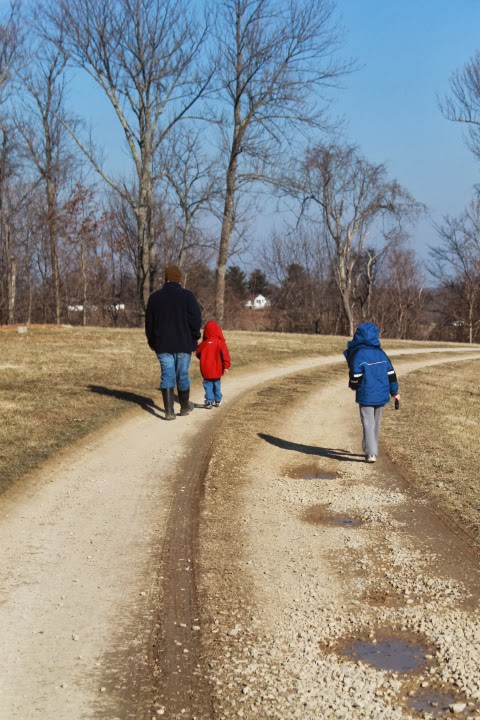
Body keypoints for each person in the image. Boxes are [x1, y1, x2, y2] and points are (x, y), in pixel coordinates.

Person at [145, 265, 202, 420]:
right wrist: (195, 337)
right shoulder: (187, 296)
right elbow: (196, 321)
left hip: (162, 345)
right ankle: (184, 407)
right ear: (179, 279)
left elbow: (149, 323)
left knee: (167, 375)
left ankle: (169, 411)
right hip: (184, 344)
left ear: (166, 278)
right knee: (182, 375)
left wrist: (152, 341)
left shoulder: (155, 298)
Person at [344, 322, 400, 463]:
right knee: (375, 423)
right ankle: (371, 448)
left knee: (368, 423)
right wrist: (394, 392)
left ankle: (371, 453)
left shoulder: (358, 354)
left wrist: (353, 385)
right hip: (381, 395)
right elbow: (391, 375)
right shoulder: (382, 354)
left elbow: (355, 376)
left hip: (366, 395)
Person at [195, 320, 231, 409]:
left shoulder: (204, 344)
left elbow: (197, 353)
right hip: (217, 368)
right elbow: (225, 355)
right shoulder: (220, 343)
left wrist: (204, 358)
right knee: (216, 384)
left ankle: (209, 401)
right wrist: (226, 365)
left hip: (206, 369)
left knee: (208, 385)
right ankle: (218, 400)